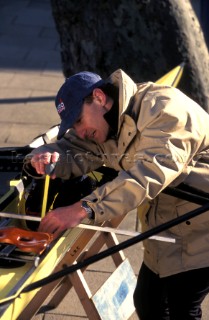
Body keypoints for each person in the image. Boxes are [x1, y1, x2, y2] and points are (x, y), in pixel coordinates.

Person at [24, 69, 209, 319]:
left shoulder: (165, 111)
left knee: (182, 308)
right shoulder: (107, 120)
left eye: (78, 120)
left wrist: (82, 209)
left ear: (99, 97)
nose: (79, 131)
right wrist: (45, 156)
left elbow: (145, 176)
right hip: (168, 223)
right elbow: (75, 148)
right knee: (148, 303)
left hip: (201, 227)